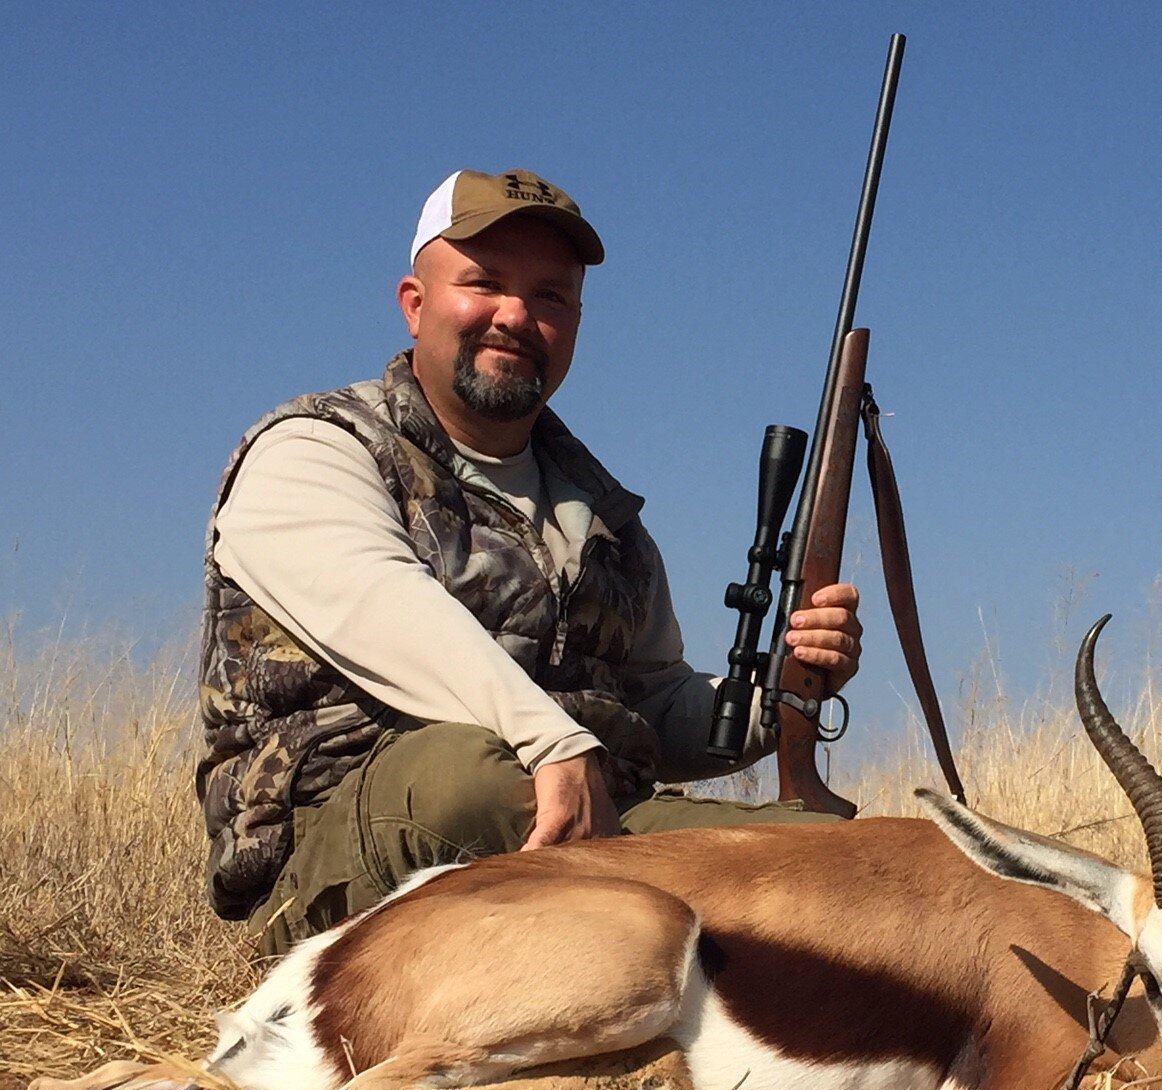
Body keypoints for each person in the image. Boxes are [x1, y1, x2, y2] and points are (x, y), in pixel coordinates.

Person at [197, 168, 864, 956]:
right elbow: (384, 609)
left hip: (591, 828)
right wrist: (555, 744)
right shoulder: (313, 450)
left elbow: (654, 702)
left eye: (550, 297)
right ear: (414, 303)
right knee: (469, 779)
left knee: (843, 861)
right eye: (483, 283)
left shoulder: (604, 514)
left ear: (575, 322)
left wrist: (778, 696)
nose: (516, 316)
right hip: (350, 859)